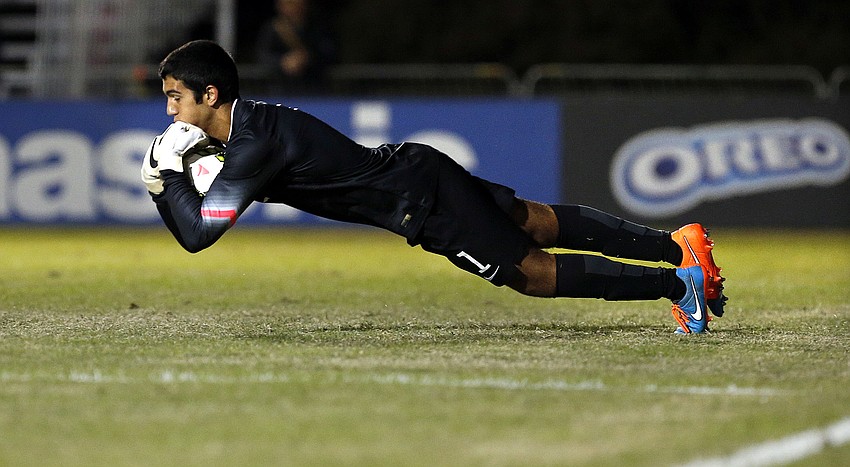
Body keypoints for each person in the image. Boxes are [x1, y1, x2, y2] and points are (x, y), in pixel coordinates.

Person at [141, 40, 727, 334]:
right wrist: (177, 177)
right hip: (418, 171)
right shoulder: (247, 131)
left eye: (175, 96)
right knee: (539, 221)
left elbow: (199, 235)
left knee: (531, 273)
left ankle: (678, 285)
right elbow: (208, 203)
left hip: (418, 202)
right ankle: (680, 246)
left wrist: (162, 181)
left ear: (209, 96)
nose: (169, 110)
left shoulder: (250, 145)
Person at [254, 0, 337, 94]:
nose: (295, 7)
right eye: (289, 3)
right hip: (280, 89)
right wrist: (283, 62)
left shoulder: (318, 27)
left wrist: (306, 58)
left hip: (314, 88)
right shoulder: (272, 29)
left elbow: (330, 53)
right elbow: (263, 55)